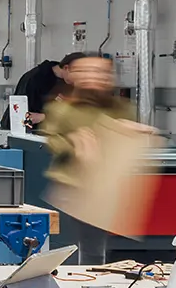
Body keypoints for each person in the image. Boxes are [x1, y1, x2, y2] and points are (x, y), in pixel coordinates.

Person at [40, 53, 135, 265]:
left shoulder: (122, 109)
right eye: (85, 71)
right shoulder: (61, 109)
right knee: (66, 254)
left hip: (106, 192)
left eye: (99, 72)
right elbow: (52, 140)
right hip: (71, 192)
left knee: (99, 256)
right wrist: (74, 144)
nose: (93, 77)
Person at [4, 56, 69, 130]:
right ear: (66, 68)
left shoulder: (66, 81)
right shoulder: (34, 80)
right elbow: (22, 116)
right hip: (26, 132)